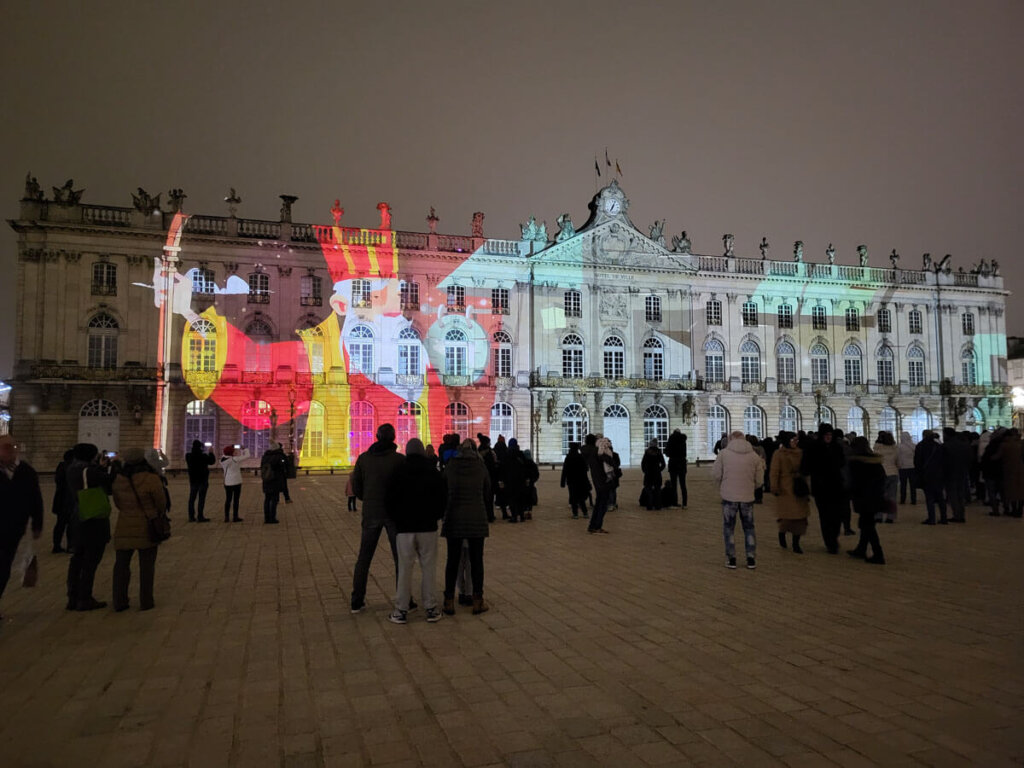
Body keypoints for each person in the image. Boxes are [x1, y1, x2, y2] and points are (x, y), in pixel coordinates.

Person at [387, 439, 446, 624]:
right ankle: (430, 607)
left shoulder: (398, 472)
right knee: (428, 568)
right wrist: (436, 516)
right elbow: (443, 498)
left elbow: (389, 499)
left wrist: (397, 520)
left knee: (404, 568)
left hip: (404, 529)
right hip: (427, 527)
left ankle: (401, 609)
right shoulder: (433, 472)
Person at [350, 423, 405, 613]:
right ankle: (404, 599)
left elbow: (356, 486)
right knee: (400, 559)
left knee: (364, 557)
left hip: (371, 512)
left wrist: (368, 498)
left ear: (376, 436)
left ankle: (357, 600)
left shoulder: (364, 459)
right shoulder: (399, 460)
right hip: (393, 513)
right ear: (393, 438)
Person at [111, 448, 167, 611]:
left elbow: (117, 502)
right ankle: (146, 601)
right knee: (147, 567)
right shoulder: (150, 478)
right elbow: (161, 503)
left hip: (124, 525)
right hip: (147, 525)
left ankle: (119, 601)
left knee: (121, 566)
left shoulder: (118, 479)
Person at [441, 438, 491, 615]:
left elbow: (443, 491)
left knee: (452, 561)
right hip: (476, 520)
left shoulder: (451, 466)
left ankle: (448, 601)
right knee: (477, 561)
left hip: (454, 519)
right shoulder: (480, 467)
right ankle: (478, 600)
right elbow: (487, 493)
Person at [65, 443, 114, 611]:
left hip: (78, 516)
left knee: (77, 558)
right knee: (91, 560)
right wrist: (106, 467)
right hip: (93, 518)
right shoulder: (89, 471)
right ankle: (84, 598)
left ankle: (72, 596)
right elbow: (109, 482)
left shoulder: (72, 469)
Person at [0, 436, 44, 617]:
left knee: (3, 567)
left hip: (13, 528)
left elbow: (36, 498)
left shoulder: (26, 471)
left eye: (12, 447)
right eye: (5, 447)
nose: (9, 451)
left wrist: (37, 523)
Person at [712, 430, 764, 569]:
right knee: (749, 527)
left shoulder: (723, 454)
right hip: (747, 497)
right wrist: (752, 487)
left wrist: (722, 486)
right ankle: (751, 558)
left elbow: (716, 474)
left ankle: (731, 558)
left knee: (729, 527)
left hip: (729, 496)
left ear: (731, 439)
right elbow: (759, 480)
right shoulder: (754, 456)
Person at [801, 424, 846, 554]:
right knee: (825, 516)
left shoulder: (836, 447)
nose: (828, 437)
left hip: (836, 486)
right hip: (821, 487)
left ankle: (834, 537)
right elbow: (806, 466)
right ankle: (830, 542)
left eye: (830, 435)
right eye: (826, 435)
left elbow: (842, 462)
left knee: (837, 515)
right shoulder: (813, 447)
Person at [846, 437, 886, 564]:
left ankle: (878, 553)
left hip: (863, 498)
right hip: (875, 497)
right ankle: (861, 548)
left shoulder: (857, 462)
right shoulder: (875, 461)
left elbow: (854, 482)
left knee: (867, 526)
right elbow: (883, 479)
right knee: (866, 524)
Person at [769, 431, 809, 553]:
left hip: (798, 488)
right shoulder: (779, 454)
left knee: (800, 518)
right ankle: (782, 533)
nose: (795, 442)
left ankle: (796, 543)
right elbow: (774, 471)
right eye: (793, 440)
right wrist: (774, 486)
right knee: (788, 517)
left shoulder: (801, 453)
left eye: (796, 440)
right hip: (785, 488)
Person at [585, 436, 618, 534]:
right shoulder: (602, 455)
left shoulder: (593, 454)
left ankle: (592, 526)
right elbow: (613, 465)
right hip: (604, 482)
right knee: (602, 506)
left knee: (598, 504)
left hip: (598, 483)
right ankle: (597, 526)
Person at [914, 430, 947, 525]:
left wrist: (919, 474)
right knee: (940, 497)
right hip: (939, 474)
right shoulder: (938, 446)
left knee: (929, 498)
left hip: (927, 475)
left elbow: (917, 462)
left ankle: (932, 518)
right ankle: (943, 518)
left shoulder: (920, 446)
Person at [942, 428, 971, 523]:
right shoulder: (964, 445)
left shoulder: (946, 446)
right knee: (960, 494)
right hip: (962, 472)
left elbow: (942, 461)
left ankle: (957, 515)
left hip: (950, 473)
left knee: (953, 495)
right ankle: (961, 514)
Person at [993, 428, 1024, 517]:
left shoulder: (1004, 445)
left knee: (1011, 491)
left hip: (1009, 469)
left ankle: (1014, 510)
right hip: (1021, 469)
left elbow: (997, 456)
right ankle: (1020, 510)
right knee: (1021, 491)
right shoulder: (1021, 443)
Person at [185, 440, 216, 522]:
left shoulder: (188, 456)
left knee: (192, 498)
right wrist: (211, 452)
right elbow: (212, 461)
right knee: (201, 499)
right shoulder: (203, 456)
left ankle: (191, 517)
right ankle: (200, 516)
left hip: (193, 480)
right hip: (203, 480)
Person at [499, 438, 529, 523]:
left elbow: (502, 468)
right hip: (520, 480)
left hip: (509, 481)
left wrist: (501, 480)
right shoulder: (520, 454)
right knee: (520, 498)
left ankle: (514, 516)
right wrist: (526, 478)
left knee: (512, 499)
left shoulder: (506, 455)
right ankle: (522, 516)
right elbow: (525, 467)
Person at [51, 448, 75, 553]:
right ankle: (70, 546)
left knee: (60, 524)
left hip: (60, 499)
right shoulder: (72, 468)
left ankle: (56, 545)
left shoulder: (61, 466)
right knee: (71, 525)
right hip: (69, 500)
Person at [872, 431, 899, 523]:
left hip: (881, 474)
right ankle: (890, 517)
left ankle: (878, 516)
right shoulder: (895, 449)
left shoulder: (878, 449)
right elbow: (898, 462)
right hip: (893, 473)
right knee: (892, 497)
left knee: (879, 496)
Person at [260, 442, 289, 525]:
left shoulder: (265, 456)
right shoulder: (279, 456)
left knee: (267, 499)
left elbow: (262, 467)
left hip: (266, 480)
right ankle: (272, 518)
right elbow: (284, 466)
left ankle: (266, 518)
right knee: (274, 500)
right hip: (276, 480)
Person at [560, 443, 591, 519]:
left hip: (571, 481)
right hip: (581, 480)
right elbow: (586, 469)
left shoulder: (568, 457)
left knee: (573, 497)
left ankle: (575, 514)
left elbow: (565, 470)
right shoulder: (581, 457)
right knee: (581, 498)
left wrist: (563, 481)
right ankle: (585, 513)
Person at [220, 445, 250, 522]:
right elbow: (247, 456)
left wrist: (230, 447)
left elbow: (225, 454)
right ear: (231, 453)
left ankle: (226, 517)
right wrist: (244, 449)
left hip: (227, 482)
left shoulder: (222, 460)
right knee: (236, 500)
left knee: (228, 499)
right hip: (236, 482)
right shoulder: (234, 459)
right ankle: (235, 516)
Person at [664, 429, 688, 508]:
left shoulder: (671, 439)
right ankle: (684, 503)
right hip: (682, 463)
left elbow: (667, 452)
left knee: (674, 485)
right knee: (683, 484)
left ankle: (674, 502)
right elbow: (685, 453)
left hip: (673, 463)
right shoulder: (683, 440)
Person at [640, 439, 666, 510]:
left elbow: (643, 463)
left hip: (648, 473)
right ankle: (658, 505)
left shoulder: (647, 452)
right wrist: (659, 470)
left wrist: (645, 471)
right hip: (657, 473)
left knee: (648, 490)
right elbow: (663, 464)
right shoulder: (659, 452)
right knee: (657, 490)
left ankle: (649, 505)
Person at [897, 431, 917, 505]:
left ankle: (903, 500)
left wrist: (899, 465)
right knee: (913, 485)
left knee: (903, 485)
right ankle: (913, 500)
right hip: (912, 467)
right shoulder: (914, 446)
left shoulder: (899, 446)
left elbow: (898, 457)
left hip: (903, 468)